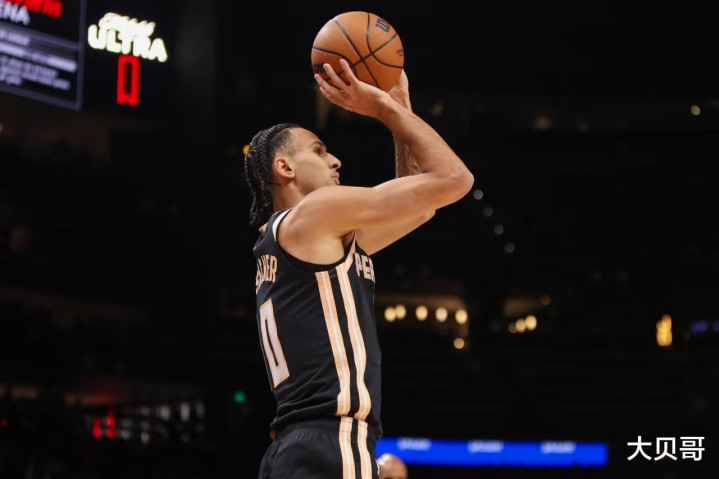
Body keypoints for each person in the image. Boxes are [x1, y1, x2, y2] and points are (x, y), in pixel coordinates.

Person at [246, 59, 473, 479]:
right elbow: (455, 179)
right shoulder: (314, 213)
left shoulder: (298, 238)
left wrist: (400, 106)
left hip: (297, 447)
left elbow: (421, 209)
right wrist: (384, 109)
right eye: (318, 151)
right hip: (331, 441)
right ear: (285, 168)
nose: (335, 160)